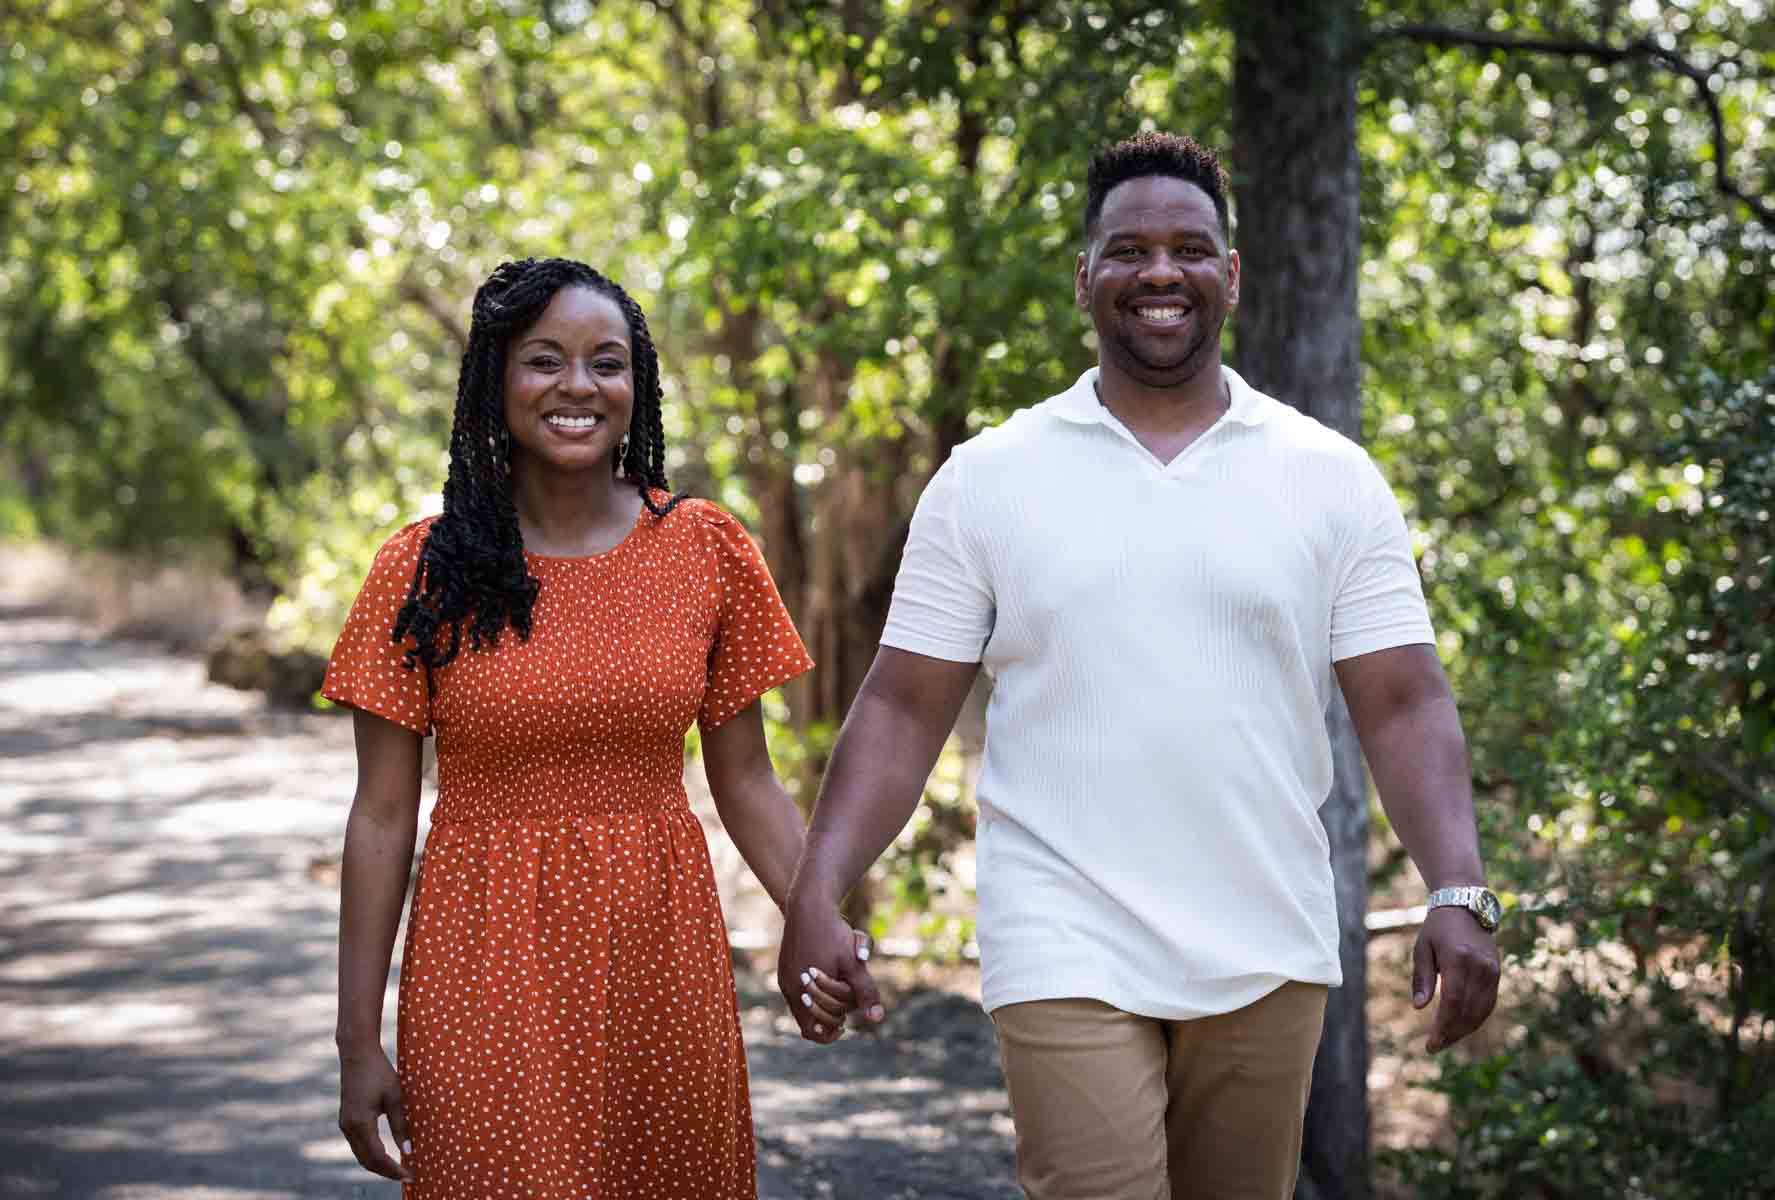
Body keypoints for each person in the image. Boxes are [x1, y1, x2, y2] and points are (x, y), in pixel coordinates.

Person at [777, 133, 1503, 1198]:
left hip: (1268, 940)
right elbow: (898, 708)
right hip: (1063, 934)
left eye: (1189, 248)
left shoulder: (1329, 478)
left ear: (1231, 275)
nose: (1160, 272)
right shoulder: (991, 478)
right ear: (1086, 280)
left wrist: (1460, 887)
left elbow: (1401, 702)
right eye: (1128, 250)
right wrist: (816, 889)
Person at [324, 256, 858, 1199]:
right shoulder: (422, 569)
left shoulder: (705, 548)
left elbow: (745, 781)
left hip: (661, 957)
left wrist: (815, 916)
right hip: (482, 957)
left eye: (606, 362)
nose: (578, 386)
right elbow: (379, 819)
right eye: (544, 361)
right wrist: (356, 1040)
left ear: (637, 384)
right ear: (495, 381)